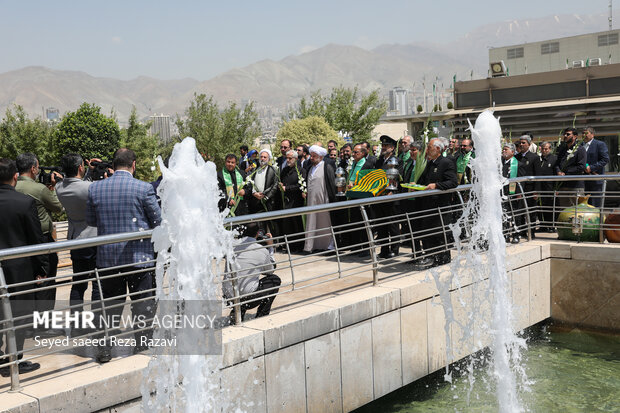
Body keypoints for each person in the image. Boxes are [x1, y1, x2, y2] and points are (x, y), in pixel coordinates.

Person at [86, 148, 161, 363]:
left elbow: (91, 221)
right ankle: (142, 347)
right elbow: (158, 222)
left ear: (114, 163)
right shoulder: (144, 188)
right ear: (133, 164)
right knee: (142, 305)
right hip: (140, 259)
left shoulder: (95, 188)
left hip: (108, 260)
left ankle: (104, 352)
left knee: (107, 308)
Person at [0, 158, 47, 376]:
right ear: (16, 177)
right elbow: (36, 241)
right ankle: (13, 361)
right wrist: (41, 270)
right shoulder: (24, 202)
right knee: (18, 317)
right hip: (18, 271)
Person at [15, 152, 64, 337]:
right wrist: (51, 188)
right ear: (34, 168)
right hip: (42, 240)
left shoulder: (11, 186)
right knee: (46, 281)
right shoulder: (39, 189)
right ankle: (43, 326)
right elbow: (58, 208)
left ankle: (26, 324)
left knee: (27, 283)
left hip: (19, 242)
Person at [56, 154, 101, 329]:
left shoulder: (60, 187)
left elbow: (76, 185)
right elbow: (89, 189)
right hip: (94, 238)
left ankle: (76, 324)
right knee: (97, 284)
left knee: (79, 283)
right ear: (80, 167)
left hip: (75, 240)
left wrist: (89, 172)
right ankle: (97, 323)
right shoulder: (91, 188)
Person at [412, 138, 458, 270]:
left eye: (430, 147)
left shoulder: (446, 163)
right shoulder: (429, 163)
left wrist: (437, 185)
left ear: (438, 149)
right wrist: (416, 185)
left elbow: (453, 182)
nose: (427, 150)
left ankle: (443, 259)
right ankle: (432, 257)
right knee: (428, 232)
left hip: (440, 205)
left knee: (439, 233)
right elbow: (425, 181)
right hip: (427, 204)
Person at [224, 223, 281, 323]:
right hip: (247, 299)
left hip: (228, 296)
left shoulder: (231, 245)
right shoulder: (262, 250)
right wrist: (270, 247)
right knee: (274, 280)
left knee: (244, 281)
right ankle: (261, 317)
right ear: (258, 233)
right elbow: (270, 270)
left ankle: (237, 313)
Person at [373, 135, 403, 259]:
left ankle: (394, 249)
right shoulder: (379, 161)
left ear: (392, 148)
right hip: (380, 197)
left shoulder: (397, 161)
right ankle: (384, 249)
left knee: (393, 224)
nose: (384, 148)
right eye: (383, 146)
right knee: (381, 225)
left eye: (386, 146)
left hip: (392, 197)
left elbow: (399, 178)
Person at [303, 145, 336, 253]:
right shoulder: (310, 168)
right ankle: (311, 246)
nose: (311, 158)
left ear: (321, 157)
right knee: (312, 221)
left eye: (314, 156)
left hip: (323, 199)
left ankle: (328, 246)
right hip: (311, 201)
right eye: (311, 156)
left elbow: (331, 184)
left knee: (325, 222)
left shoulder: (326, 167)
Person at [278, 150, 306, 252]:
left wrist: (287, 188)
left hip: (296, 201)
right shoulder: (284, 170)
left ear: (296, 159)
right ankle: (290, 246)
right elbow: (281, 181)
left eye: (290, 158)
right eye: (287, 158)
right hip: (286, 201)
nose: (288, 160)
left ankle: (299, 246)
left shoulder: (301, 171)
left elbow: (300, 186)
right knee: (287, 224)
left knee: (297, 224)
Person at [515, 134, 541, 237]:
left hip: (530, 188)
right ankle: (521, 231)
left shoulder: (534, 158)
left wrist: (536, 191)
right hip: (519, 189)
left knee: (531, 212)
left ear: (529, 144)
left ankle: (532, 231)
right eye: (520, 143)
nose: (521, 145)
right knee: (519, 210)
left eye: (523, 143)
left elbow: (538, 175)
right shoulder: (516, 157)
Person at [501, 143, 527, 244]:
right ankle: (506, 234)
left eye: (506, 149)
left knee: (516, 215)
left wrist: (519, 193)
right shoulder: (501, 163)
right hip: (503, 193)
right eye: (503, 149)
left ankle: (516, 235)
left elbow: (521, 181)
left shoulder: (518, 164)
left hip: (514, 193)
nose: (504, 151)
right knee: (504, 215)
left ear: (512, 152)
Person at [555, 127, 587, 206]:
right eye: (564, 134)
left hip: (575, 186)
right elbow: (557, 164)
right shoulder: (562, 150)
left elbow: (581, 167)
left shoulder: (580, 149)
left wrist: (566, 172)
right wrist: (558, 171)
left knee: (577, 210)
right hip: (563, 186)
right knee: (564, 211)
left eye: (568, 134)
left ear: (575, 136)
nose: (565, 136)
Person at [581, 126, 609, 207]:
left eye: (586, 133)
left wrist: (591, 168)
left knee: (595, 205)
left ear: (592, 134)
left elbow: (605, 159)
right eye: (582, 133)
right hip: (582, 181)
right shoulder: (580, 145)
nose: (583, 135)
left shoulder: (599, 144)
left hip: (595, 180)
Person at [538, 142, 558, 231]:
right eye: (543, 149)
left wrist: (556, 188)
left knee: (550, 207)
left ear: (550, 149)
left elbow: (556, 172)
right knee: (540, 207)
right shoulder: (538, 159)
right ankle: (543, 225)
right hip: (540, 188)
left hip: (550, 187)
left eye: (546, 149)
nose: (544, 150)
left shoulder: (554, 159)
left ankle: (551, 226)